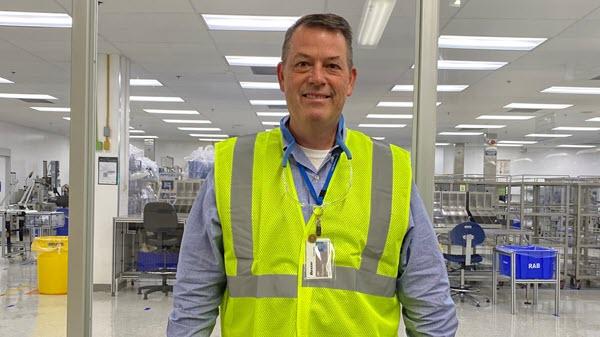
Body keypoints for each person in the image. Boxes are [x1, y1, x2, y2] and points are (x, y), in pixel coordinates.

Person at [168, 13, 458, 337]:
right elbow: (193, 299)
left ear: (350, 80)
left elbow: (430, 304)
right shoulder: (232, 167)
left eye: (332, 66)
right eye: (303, 64)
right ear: (282, 76)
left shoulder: (390, 172)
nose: (317, 78)